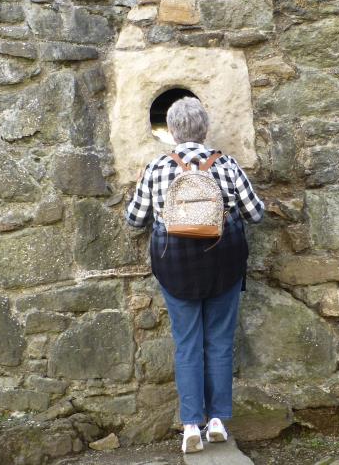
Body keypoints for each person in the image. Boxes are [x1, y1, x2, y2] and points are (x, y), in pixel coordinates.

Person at [124, 97, 265, 454]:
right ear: (204, 129)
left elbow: (134, 221)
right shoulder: (226, 163)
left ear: (171, 132)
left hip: (176, 268)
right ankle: (217, 420)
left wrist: (140, 187)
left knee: (187, 343)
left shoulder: (156, 168)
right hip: (223, 263)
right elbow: (255, 214)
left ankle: (190, 424)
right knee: (218, 341)